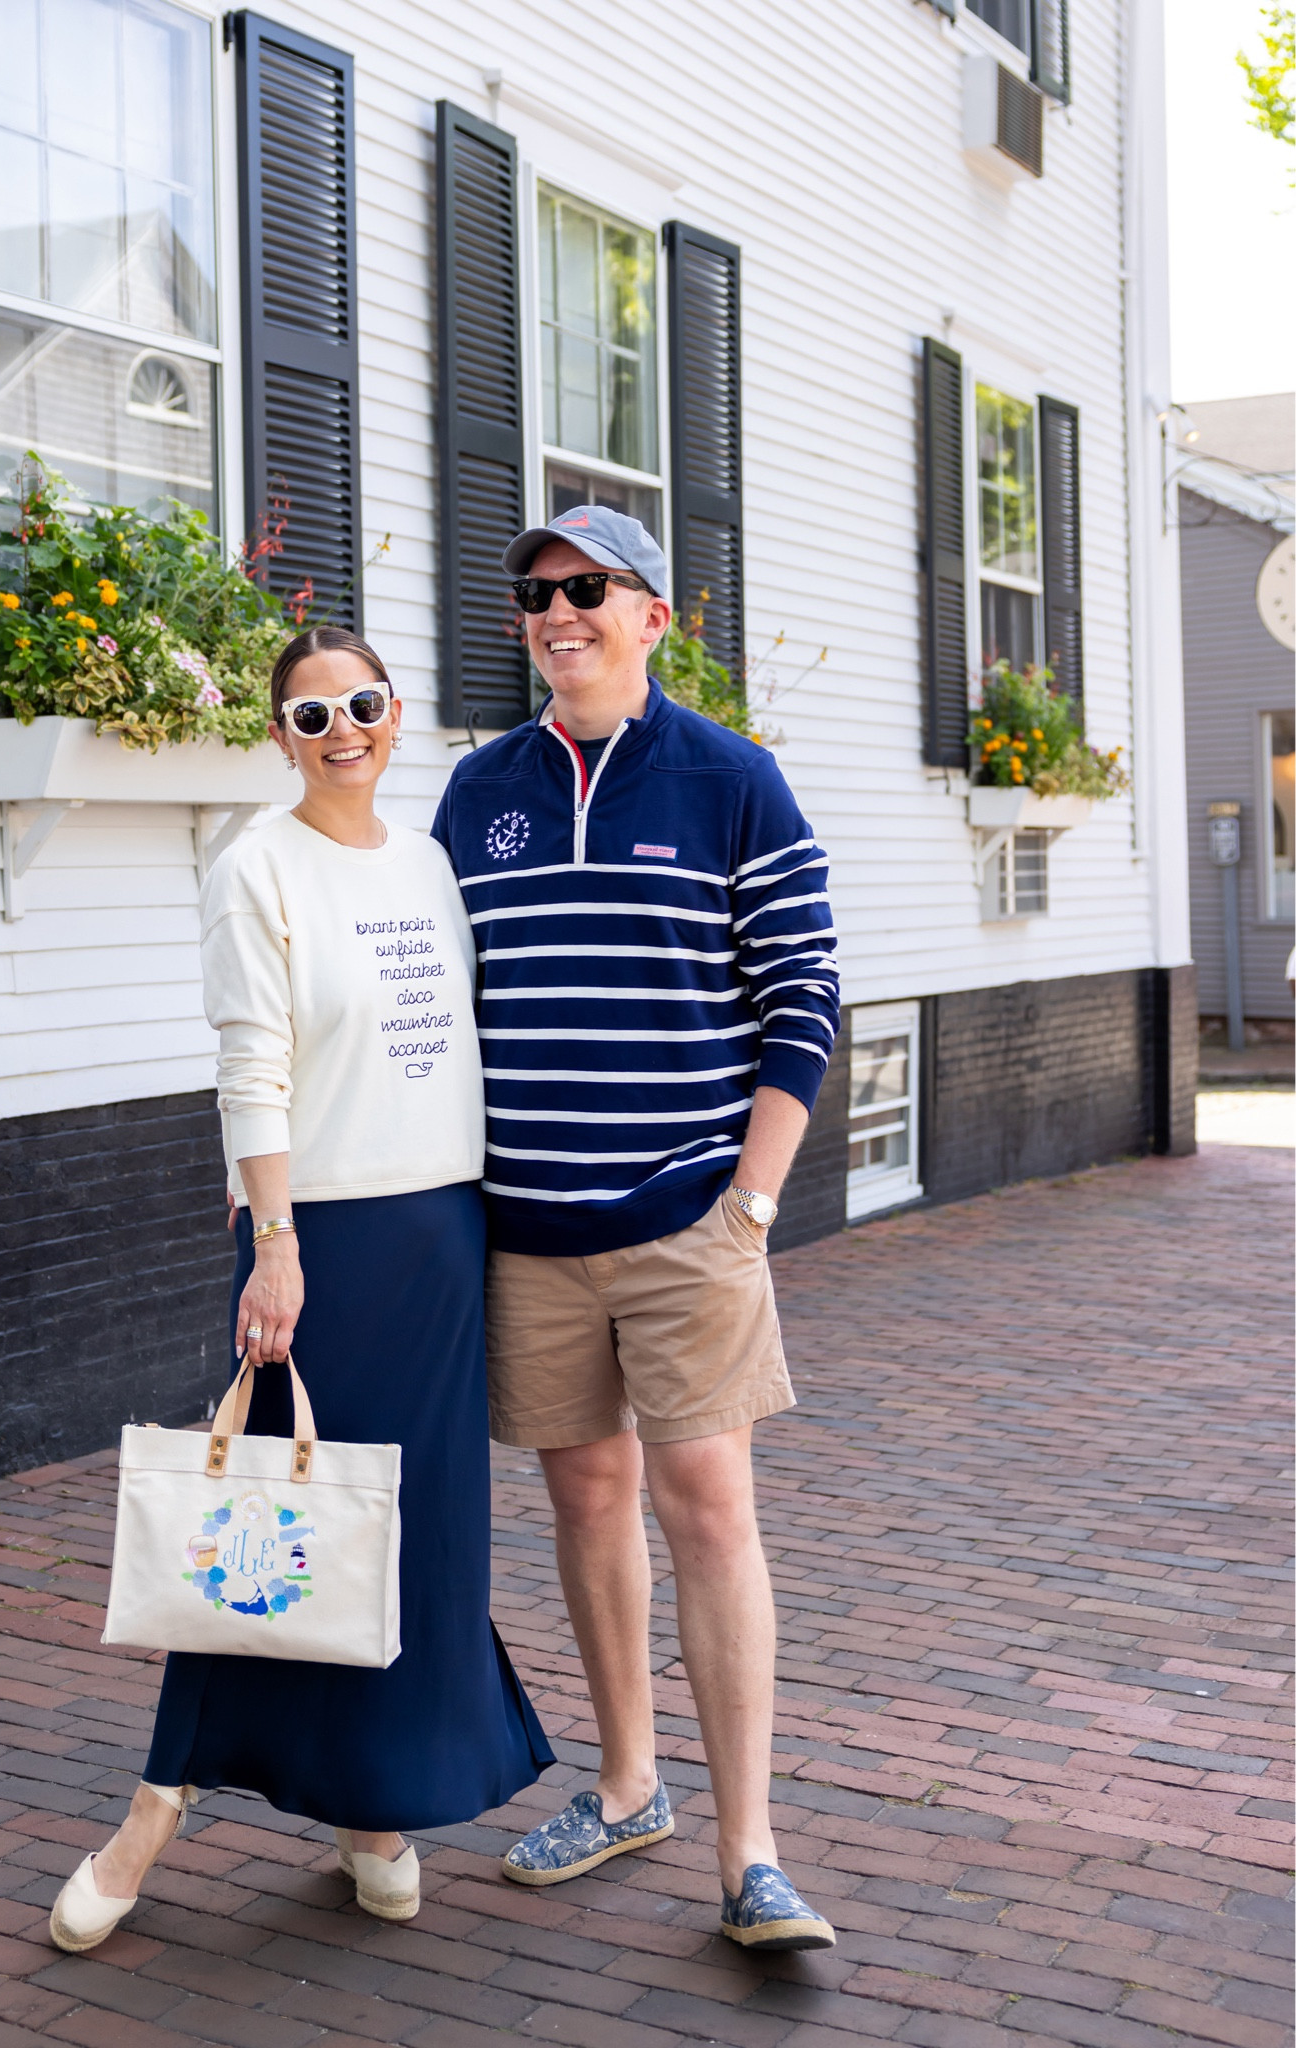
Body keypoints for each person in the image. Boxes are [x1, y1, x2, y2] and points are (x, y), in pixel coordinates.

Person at [50, 624, 553, 1951]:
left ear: (397, 719)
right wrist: (274, 1239)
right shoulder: (255, 865)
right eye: (313, 716)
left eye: (364, 706)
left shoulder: (437, 865)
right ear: (280, 739)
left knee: (408, 1539)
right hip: (317, 1241)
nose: (343, 732)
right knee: (260, 1541)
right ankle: (151, 1816)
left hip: (442, 1235)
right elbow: (251, 1062)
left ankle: (375, 1814)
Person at [431, 507, 841, 1953]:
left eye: (589, 588)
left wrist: (755, 1202)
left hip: (688, 1221)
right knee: (586, 1503)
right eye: (536, 591)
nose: (559, 612)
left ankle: (752, 1857)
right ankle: (624, 1790)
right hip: (528, 1230)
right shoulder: (476, 791)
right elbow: (425, 1012)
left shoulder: (734, 780)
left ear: (654, 615)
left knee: (709, 1509)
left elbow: (803, 999)